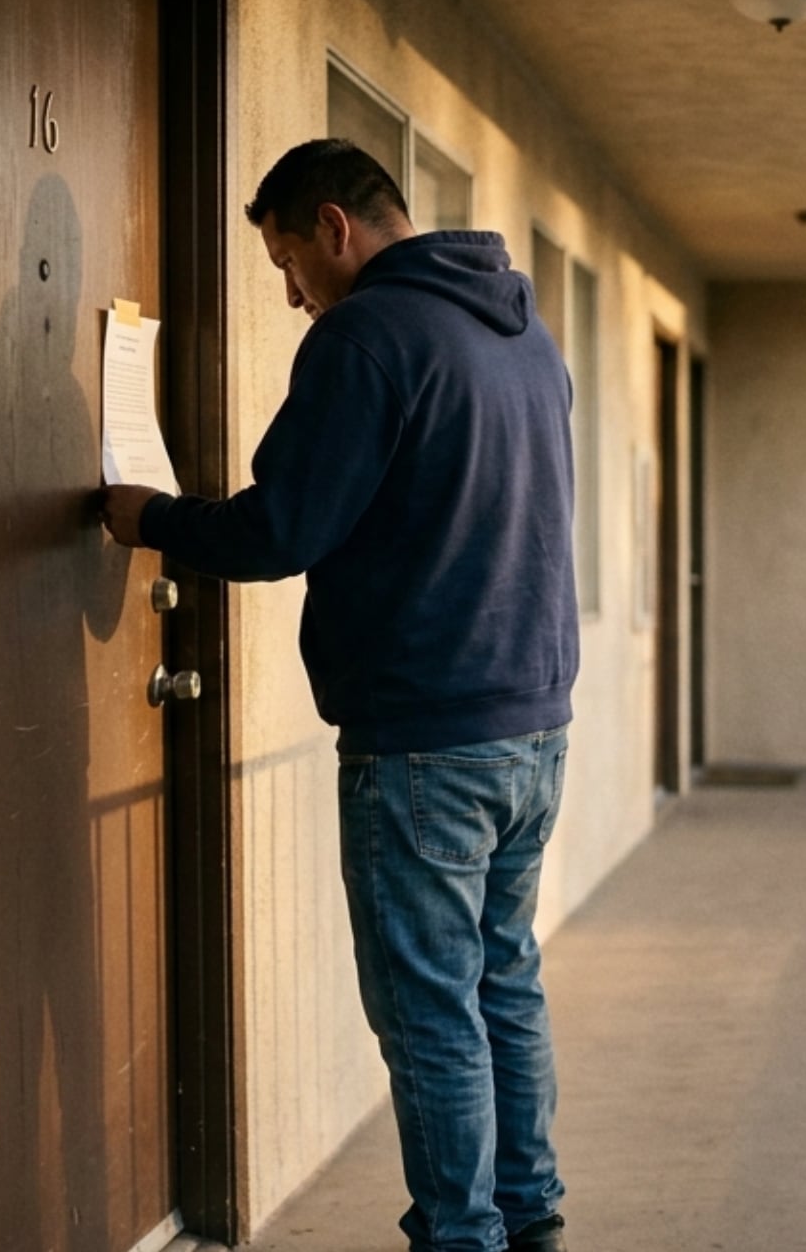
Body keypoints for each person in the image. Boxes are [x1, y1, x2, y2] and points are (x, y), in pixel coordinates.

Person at [102, 138, 578, 1252]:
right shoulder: (520, 330)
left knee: (428, 1014)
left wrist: (151, 517)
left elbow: (282, 528)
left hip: (422, 737)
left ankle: (461, 1238)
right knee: (502, 982)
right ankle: (530, 1221)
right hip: (531, 721)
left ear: (333, 226)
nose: (290, 293)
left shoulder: (367, 334)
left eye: (285, 263)